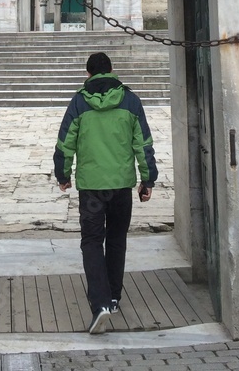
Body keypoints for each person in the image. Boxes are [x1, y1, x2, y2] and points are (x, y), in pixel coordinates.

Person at [54, 51, 158, 334]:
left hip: (91, 187)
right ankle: (113, 296)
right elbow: (143, 144)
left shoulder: (78, 102)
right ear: (111, 71)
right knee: (116, 240)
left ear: (88, 74)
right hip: (121, 185)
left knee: (91, 241)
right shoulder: (131, 100)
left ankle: (99, 302)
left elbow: (65, 143)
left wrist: (62, 174)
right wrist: (148, 180)